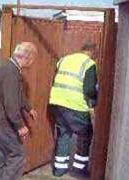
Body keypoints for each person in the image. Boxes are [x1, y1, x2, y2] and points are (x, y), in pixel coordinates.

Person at [0, 42, 38, 180]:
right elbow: (11, 104)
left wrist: (29, 108)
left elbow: (17, 95)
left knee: (0, 155)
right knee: (17, 155)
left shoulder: (8, 69)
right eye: (33, 59)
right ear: (27, 58)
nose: (33, 63)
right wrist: (20, 126)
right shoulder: (11, 74)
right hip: (2, 124)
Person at [49, 42, 98, 177]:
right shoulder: (89, 64)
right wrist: (94, 101)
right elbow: (89, 89)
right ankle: (79, 169)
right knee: (85, 134)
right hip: (75, 105)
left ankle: (59, 169)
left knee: (63, 134)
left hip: (57, 102)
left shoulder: (64, 59)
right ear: (92, 52)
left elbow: (55, 80)